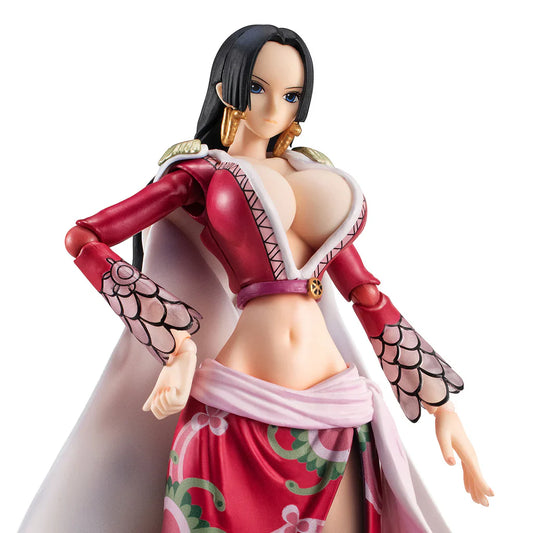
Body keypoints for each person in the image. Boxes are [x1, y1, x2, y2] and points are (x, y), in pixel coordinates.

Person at [21, 25, 492, 533]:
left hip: (337, 406)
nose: (273, 107)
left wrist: (441, 407)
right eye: (257, 87)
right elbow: (85, 237)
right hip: (235, 409)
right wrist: (175, 344)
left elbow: (366, 294)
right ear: (226, 88)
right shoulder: (202, 174)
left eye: (291, 95)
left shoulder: (312, 172)